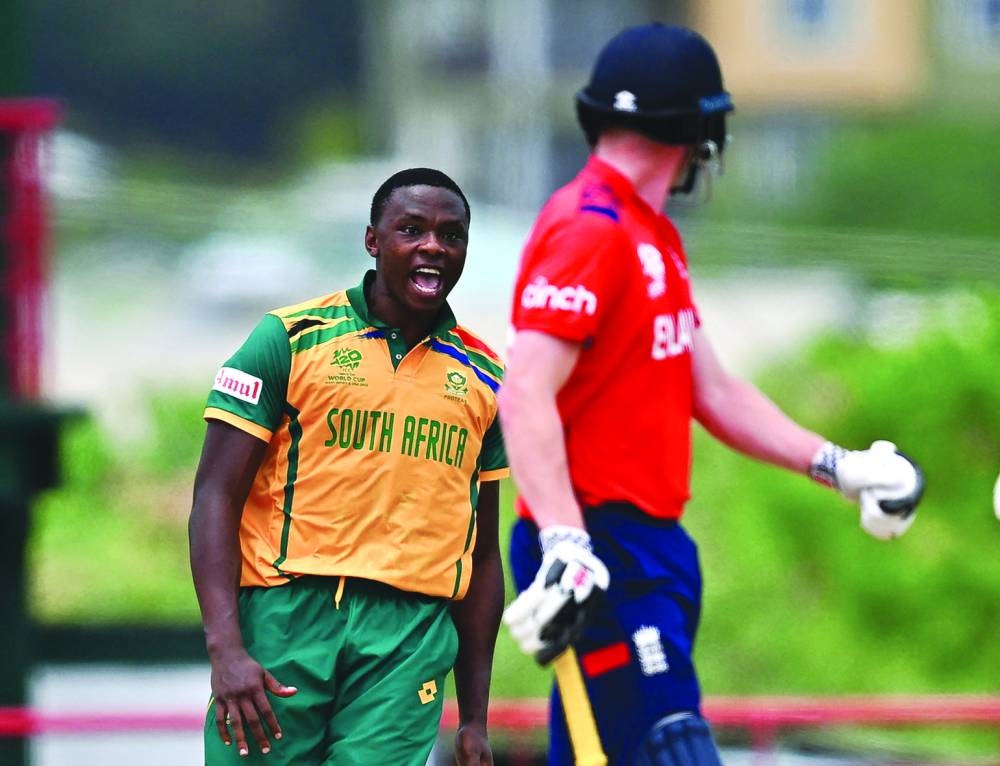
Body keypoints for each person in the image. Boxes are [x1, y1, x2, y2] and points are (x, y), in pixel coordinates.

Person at [498, 23, 925, 766]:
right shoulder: (590, 227)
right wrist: (566, 543)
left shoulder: (648, 232)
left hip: (651, 548)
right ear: (696, 131)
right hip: (600, 549)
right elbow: (525, 390)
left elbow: (714, 390)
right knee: (675, 748)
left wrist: (838, 464)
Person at [189, 167, 508, 766]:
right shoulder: (287, 339)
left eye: (451, 234)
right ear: (373, 240)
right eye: (411, 229)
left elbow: (483, 556)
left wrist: (475, 718)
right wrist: (225, 648)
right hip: (286, 621)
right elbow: (214, 496)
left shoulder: (488, 380)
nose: (433, 246)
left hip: (409, 636)